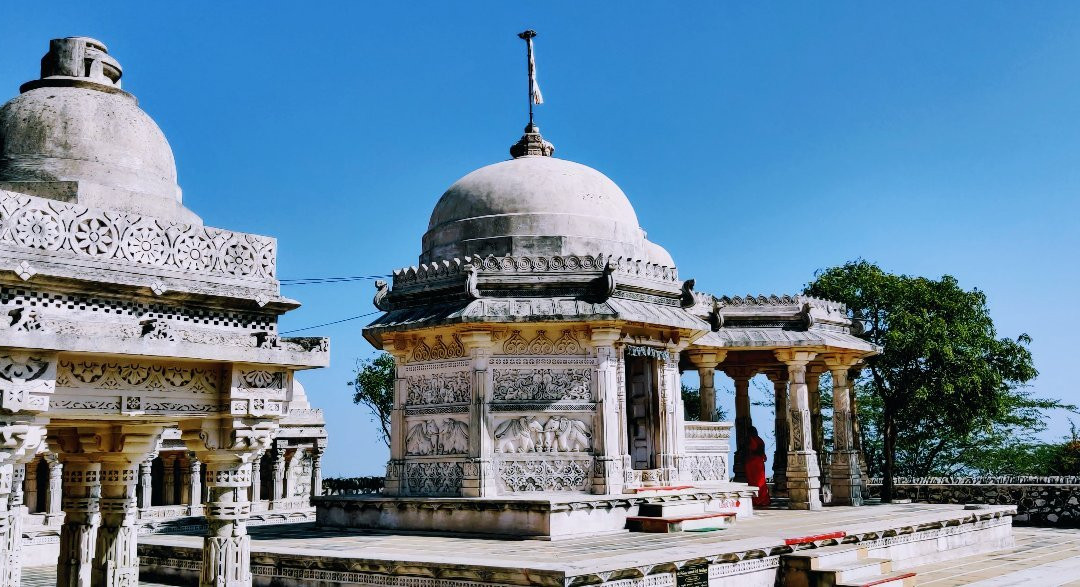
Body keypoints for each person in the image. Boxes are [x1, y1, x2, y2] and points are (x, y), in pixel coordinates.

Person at [745, 426, 770, 507]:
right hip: (760, 462)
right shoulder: (760, 440)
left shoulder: (752, 439)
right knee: (761, 482)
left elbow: (753, 448)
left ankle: (757, 500)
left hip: (753, 462)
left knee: (753, 481)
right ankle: (763, 499)